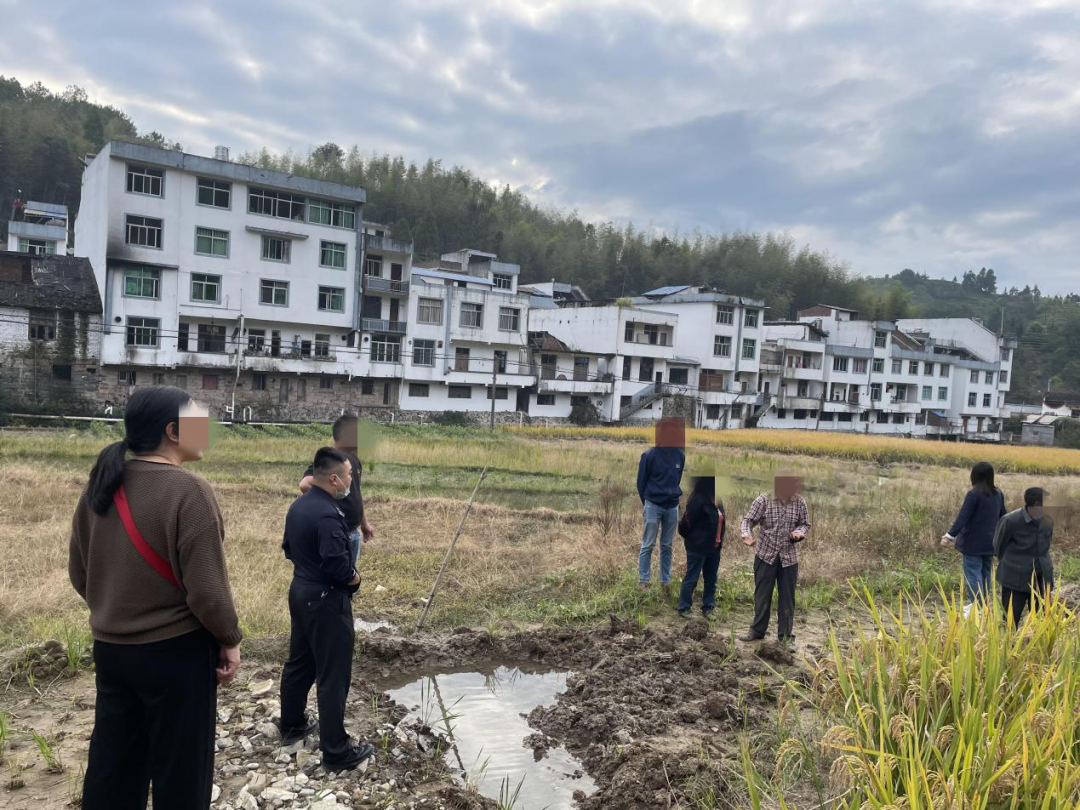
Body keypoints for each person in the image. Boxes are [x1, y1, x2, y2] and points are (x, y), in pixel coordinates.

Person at [69, 386, 242, 810]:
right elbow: (208, 593)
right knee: (181, 773)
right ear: (173, 431)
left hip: (111, 650)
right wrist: (230, 638)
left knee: (114, 766)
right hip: (175, 656)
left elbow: (80, 574)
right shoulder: (189, 491)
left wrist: (118, 609)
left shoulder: (102, 486)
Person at [279, 447, 375, 770]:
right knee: (333, 675)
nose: (351, 482)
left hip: (300, 590)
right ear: (334, 478)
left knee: (300, 662)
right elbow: (339, 566)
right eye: (348, 476)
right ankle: (336, 751)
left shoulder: (299, 507)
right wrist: (355, 579)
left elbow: (288, 548)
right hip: (326, 600)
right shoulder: (329, 515)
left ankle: (291, 726)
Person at [739, 477, 811, 645]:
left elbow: (805, 524)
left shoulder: (799, 502)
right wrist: (746, 534)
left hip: (789, 558)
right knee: (762, 595)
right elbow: (748, 520)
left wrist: (799, 532)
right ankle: (757, 631)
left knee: (787, 598)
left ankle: (785, 637)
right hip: (765, 555)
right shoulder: (763, 500)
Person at [300, 414, 373, 566]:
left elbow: (357, 492)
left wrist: (364, 523)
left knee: (349, 574)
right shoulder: (328, 459)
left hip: (353, 532)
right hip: (336, 533)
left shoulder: (353, 459)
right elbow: (305, 484)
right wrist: (332, 500)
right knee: (336, 575)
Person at [941, 462, 1007, 613]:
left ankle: (978, 607)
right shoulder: (998, 494)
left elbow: (963, 517)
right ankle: (982, 604)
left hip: (972, 543)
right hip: (991, 543)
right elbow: (1003, 517)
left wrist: (949, 536)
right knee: (985, 574)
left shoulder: (973, 495)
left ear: (974, 475)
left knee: (973, 575)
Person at [994, 487, 1054, 626]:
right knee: (1010, 620)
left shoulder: (1049, 520)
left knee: (1042, 621)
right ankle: (1009, 640)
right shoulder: (1010, 520)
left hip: (1041, 578)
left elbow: (1047, 545)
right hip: (1015, 579)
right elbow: (998, 547)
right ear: (1037, 504)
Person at [636, 418, 685, 589]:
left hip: (672, 506)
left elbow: (677, 480)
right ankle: (644, 581)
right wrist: (648, 503)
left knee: (667, 545)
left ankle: (665, 581)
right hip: (653, 505)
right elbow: (641, 483)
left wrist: (673, 498)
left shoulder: (680, 456)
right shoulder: (649, 455)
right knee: (648, 544)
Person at [676, 476, 726, 618]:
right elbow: (685, 524)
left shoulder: (718, 499)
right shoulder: (697, 500)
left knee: (711, 579)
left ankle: (708, 607)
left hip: (714, 547)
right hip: (697, 547)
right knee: (692, 577)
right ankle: (684, 607)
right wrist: (694, 540)